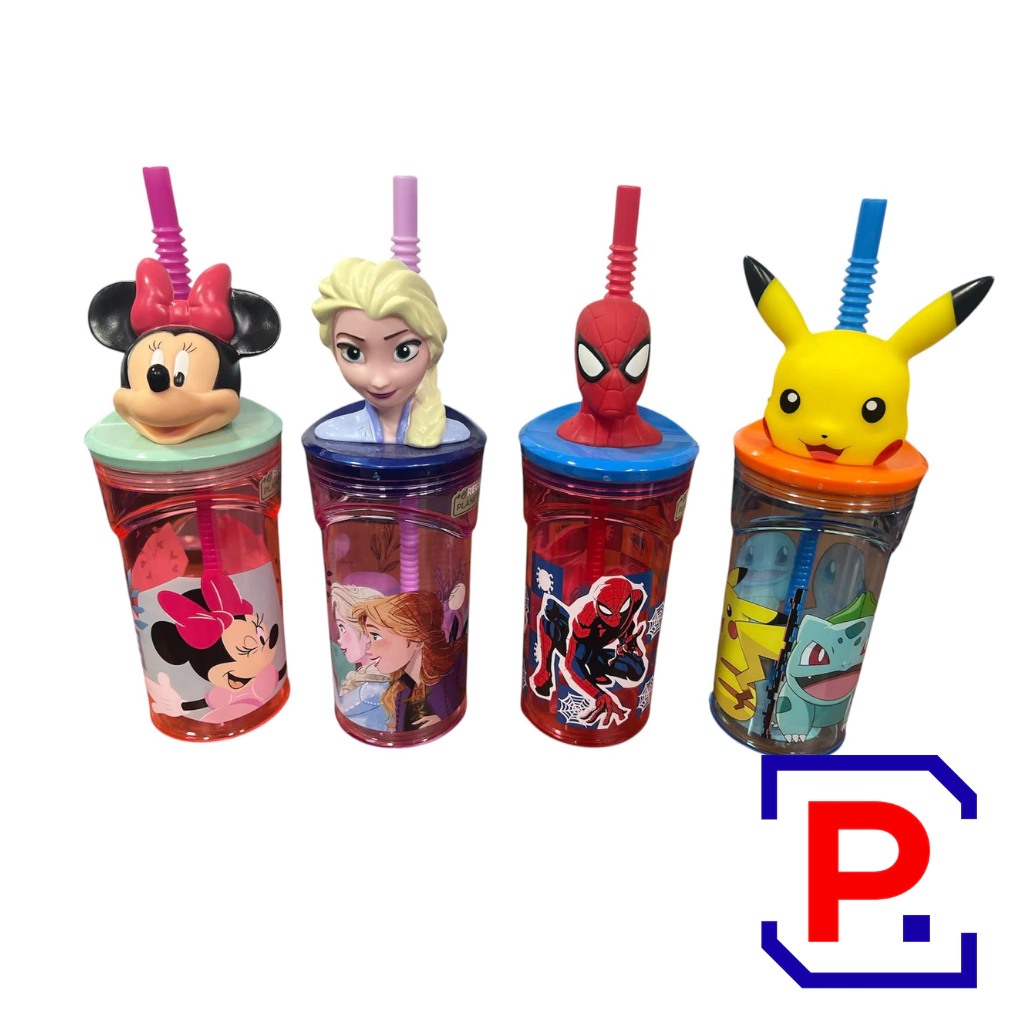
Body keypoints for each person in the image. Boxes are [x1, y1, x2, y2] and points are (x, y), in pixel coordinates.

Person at [352, 590, 468, 730]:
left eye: (376, 637)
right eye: (370, 638)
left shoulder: (451, 677)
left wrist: (442, 721)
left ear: (417, 641)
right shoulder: (400, 691)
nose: (368, 650)